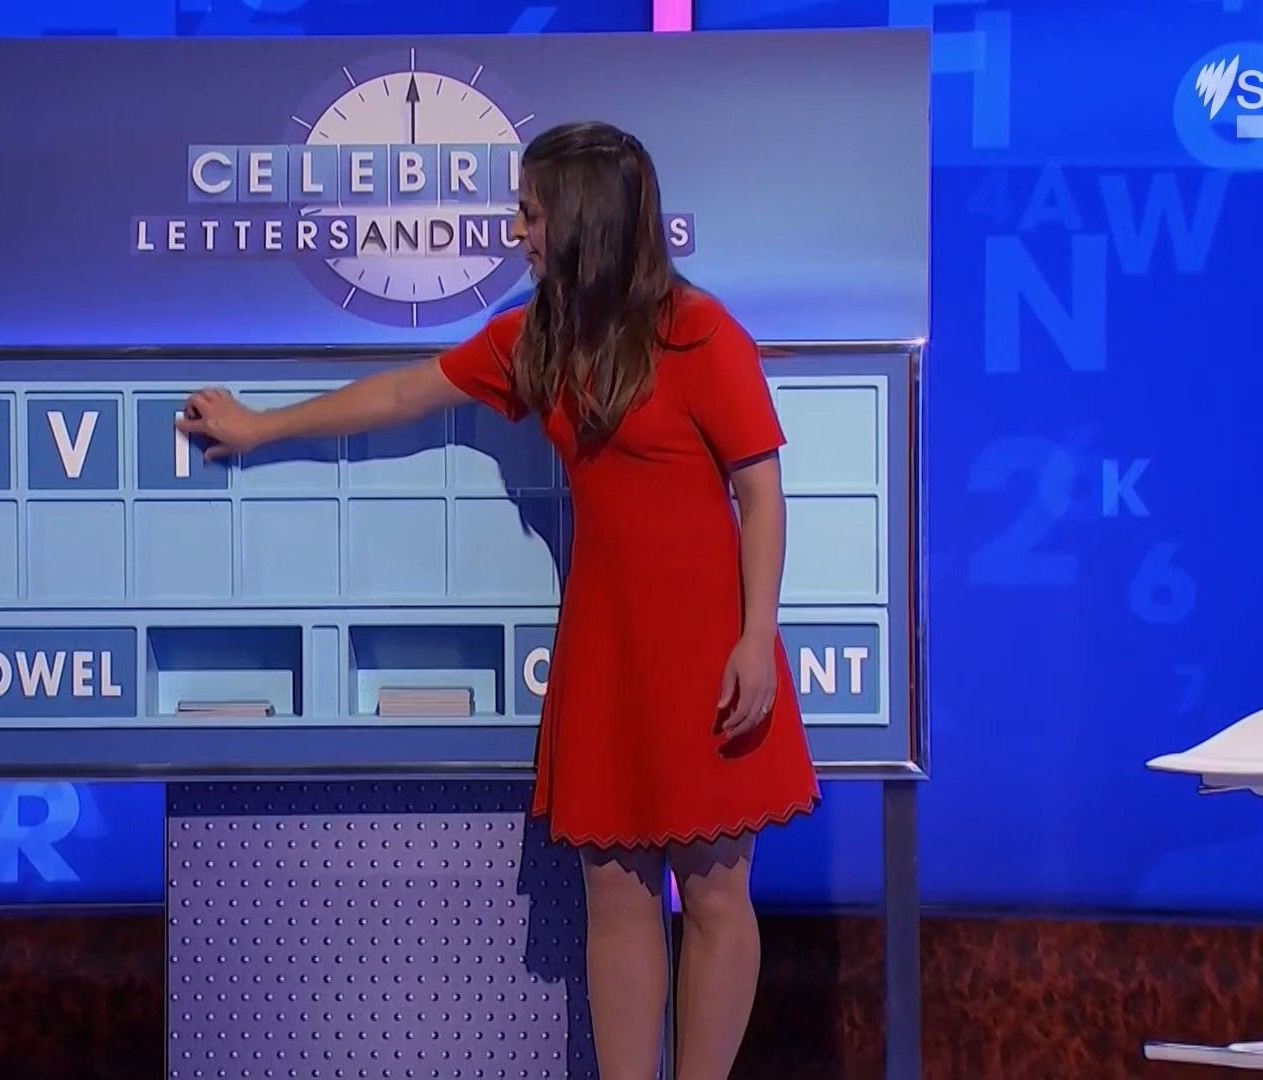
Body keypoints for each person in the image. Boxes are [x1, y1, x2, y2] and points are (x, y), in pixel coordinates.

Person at [176, 120, 820, 1080]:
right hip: (606, 653)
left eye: (529, 212)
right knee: (616, 901)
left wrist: (756, 636)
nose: (516, 231)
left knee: (717, 899)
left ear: (583, 221)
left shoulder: (702, 333)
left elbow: (761, 494)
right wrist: (262, 428)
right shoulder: (537, 339)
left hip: (709, 654)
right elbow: (404, 395)